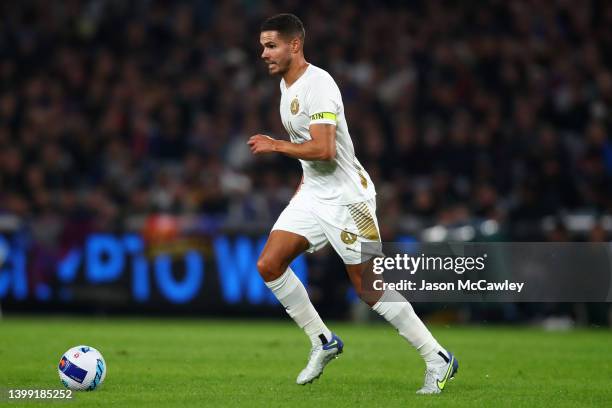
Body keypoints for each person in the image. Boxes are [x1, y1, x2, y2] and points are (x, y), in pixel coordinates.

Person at [248, 13, 458, 394]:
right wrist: (302, 186)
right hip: (314, 193)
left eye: (271, 45)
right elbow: (312, 159)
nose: (264, 53)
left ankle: (437, 357)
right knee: (269, 263)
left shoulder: (319, 84)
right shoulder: (286, 86)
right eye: (263, 45)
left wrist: (276, 144)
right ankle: (323, 341)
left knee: (369, 286)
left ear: (295, 45)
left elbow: (325, 149)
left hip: (349, 199)